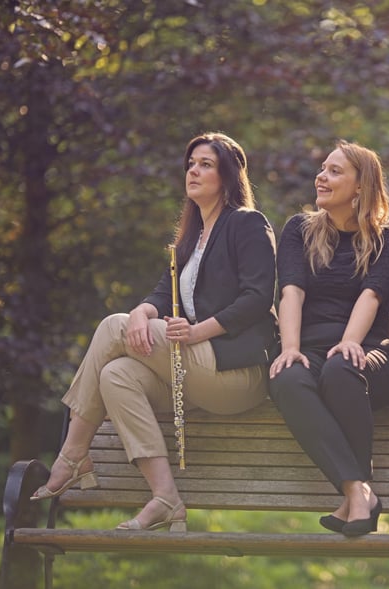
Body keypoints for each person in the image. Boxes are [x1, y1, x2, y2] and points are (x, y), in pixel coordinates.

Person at [32, 132, 279, 533]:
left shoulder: (247, 224)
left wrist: (198, 332)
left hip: (237, 373)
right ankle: (165, 498)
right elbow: (162, 294)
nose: (193, 171)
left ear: (229, 177)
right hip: (195, 376)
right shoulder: (191, 238)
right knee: (116, 375)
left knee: (113, 327)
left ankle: (74, 452)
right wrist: (142, 313)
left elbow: (257, 297)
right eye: (191, 164)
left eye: (206, 164)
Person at [268, 140, 389, 537]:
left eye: (334, 171)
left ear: (361, 186)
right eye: (322, 169)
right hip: (309, 347)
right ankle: (358, 490)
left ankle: (356, 496)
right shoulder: (299, 229)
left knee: (341, 368)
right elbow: (290, 291)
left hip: (369, 351)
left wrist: (350, 341)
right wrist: (290, 349)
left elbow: (373, 294)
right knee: (287, 379)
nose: (321, 176)